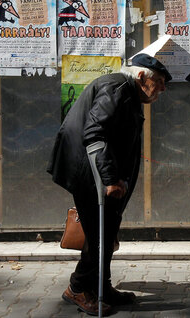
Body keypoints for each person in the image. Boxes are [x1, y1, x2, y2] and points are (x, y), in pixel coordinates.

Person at [47, 52, 171, 316]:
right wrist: (110, 178)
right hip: (92, 176)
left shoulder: (126, 90)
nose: (162, 88)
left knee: (107, 231)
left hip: (98, 175)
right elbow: (95, 132)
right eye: (158, 81)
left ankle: (101, 285)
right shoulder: (117, 88)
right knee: (99, 236)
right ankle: (77, 288)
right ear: (141, 76)